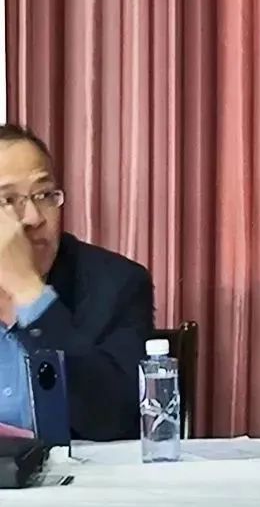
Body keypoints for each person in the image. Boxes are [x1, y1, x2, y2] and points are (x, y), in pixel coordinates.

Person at [0, 125, 153, 441]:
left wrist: (30, 293)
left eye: (44, 195)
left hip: (71, 472)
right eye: (9, 199)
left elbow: (116, 421)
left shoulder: (115, 284)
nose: (34, 218)